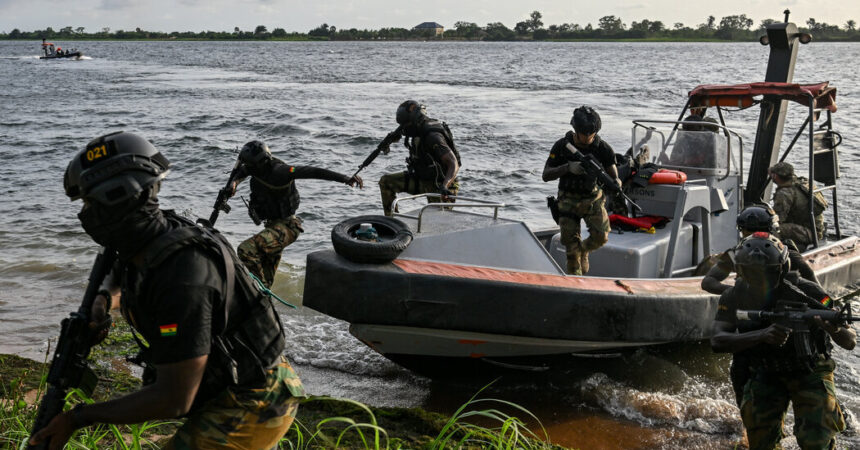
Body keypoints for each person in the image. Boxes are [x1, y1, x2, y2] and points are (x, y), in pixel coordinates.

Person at [30, 131, 305, 449]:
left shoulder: (183, 278)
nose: (85, 214)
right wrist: (104, 302)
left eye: (90, 202)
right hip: (226, 384)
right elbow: (119, 270)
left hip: (254, 401)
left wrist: (77, 419)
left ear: (117, 197)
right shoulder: (153, 235)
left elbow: (174, 399)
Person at [710, 232, 855, 449]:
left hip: (810, 370)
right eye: (752, 274)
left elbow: (850, 340)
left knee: (816, 440)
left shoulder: (808, 290)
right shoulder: (733, 296)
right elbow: (718, 340)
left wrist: (833, 330)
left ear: (781, 269)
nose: (760, 281)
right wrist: (762, 335)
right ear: (740, 271)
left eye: (766, 273)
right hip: (765, 371)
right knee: (760, 439)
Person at [226, 140, 362, 288]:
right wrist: (234, 183)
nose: (249, 168)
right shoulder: (255, 167)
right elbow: (243, 171)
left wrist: (344, 178)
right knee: (266, 276)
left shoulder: (283, 171)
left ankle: (259, 291)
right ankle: (263, 295)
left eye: (252, 165)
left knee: (246, 250)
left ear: (261, 163)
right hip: (272, 227)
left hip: (287, 227)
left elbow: (313, 172)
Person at [542, 105, 621, 275]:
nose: (587, 138)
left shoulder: (603, 149)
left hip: (592, 199)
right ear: (575, 130)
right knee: (571, 250)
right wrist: (567, 168)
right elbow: (546, 175)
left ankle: (583, 250)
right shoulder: (562, 146)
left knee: (601, 237)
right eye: (583, 134)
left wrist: (617, 184)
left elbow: (613, 176)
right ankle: (576, 282)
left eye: (590, 135)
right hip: (568, 200)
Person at [701, 204, 818, 296]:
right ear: (772, 229)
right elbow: (820, 293)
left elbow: (708, 283)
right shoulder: (788, 255)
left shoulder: (735, 255)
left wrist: (738, 292)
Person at [378, 100, 461, 216]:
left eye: (406, 125)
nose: (405, 129)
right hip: (423, 180)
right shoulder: (418, 132)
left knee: (438, 222)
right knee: (386, 182)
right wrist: (388, 142)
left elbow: (453, 164)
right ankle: (392, 222)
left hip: (440, 185)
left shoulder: (432, 135)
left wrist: (445, 186)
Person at [769, 161, 827, 249]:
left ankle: (777, 250)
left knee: (773, 229)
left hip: (809, 233)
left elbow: (778, 219)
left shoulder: (784, 193)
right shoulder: (802, 182)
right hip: (817, 229)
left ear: (775, 176)